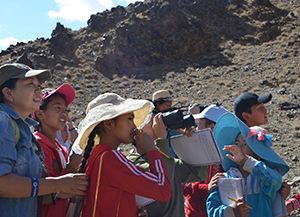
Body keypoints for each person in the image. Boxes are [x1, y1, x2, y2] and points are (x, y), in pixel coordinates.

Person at [0, 63, 88, 217]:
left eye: (38, 86)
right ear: (8, 93)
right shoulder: (3, 121)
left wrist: (59, 190)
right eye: (30, 84)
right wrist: (58, 184)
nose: (38, 91)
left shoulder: (23, 129)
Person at [72, 93, 171, 217]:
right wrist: (151, 150)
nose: (135, 126)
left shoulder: (100, 156)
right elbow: (162, 188)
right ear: (108, 124)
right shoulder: (110, 158)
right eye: (130, 119)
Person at [206, 112, 289, 217]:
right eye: (237, 143)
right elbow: (212, 209)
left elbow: (275, 181)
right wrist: (232, 212)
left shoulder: (264, 178)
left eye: (245, 144)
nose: (238, 148)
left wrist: (246, 161)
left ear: (258, 153)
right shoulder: (226, 178)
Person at [128, 116, 208, 217]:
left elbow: (198, 173)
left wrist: (189, 140)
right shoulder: (132, 164)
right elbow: (163, 178)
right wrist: (161, 140)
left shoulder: (168, 161)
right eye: (151, 123)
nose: (157, 126)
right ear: (137, 132)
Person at [234, 92, 292, 215]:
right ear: (246, 116)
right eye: (260, 108)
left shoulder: (261, 139)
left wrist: (279, 191)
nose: (266, 110)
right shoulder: (238, 149)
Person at [33, 83, 82, 217]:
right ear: (40, 114)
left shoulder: (60, 148)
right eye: (57, 108)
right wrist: (72, 166)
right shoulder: (37, 146)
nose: (64, 114)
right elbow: (38, 195)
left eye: (65, 110)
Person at [184, 104, 228, 217]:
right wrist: (206, 188)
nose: (196, 129)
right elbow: (182, 184)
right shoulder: (193, 150)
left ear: (211, 127)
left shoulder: (230, 154)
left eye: (199, 125)